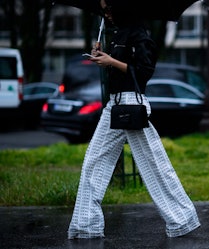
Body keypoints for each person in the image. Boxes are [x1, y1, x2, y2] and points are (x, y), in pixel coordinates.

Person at [67, 0, 200, 239]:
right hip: (115, 105)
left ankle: (183, 220)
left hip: (131, 103)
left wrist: (112, 62)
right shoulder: (119, 33)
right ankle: (86, 226)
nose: (105, 13)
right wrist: (101, 56)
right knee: (93, 163)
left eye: (108, 7)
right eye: (103, 8)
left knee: (155, 167)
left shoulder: (140, 34)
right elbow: (119, 69)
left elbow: (143, 72)